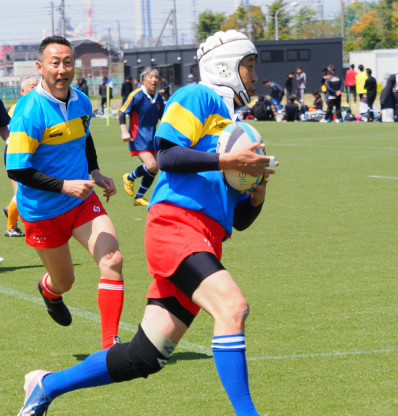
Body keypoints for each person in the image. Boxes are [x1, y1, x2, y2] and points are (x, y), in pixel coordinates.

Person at [17, 29, 277, 416]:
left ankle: (46, 385)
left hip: (206, 239)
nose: (255, 77)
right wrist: (228, 161)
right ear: (225, 66)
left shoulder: (234, 127)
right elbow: (167, 155)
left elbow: (239, 221)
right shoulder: (197, 96)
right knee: (232, 306)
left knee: (145, 356)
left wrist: (256, 194)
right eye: (249, 66)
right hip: (175, 227)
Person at [6, 36, 124, 350]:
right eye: (54, 63)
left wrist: (95, 172)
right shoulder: (29, 112)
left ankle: (110, 347)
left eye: (67, 62)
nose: (62, 69)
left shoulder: (82, 101)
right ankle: (50, 290)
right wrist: (64, 185)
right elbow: (16, 170)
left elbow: (84, 137)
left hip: (82, 201)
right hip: (43, 211)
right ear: (40, 67)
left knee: (112, 259)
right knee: (64, 282)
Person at [120, 67, 165, 206]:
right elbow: (122, 112)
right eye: (150, 77)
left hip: (152, 139)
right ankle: (129, 177)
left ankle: (139, 197)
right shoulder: (136, 95)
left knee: (156, 168)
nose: (154, 80)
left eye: (156, 77)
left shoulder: (158, 99)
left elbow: (163, 118)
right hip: (137, 138)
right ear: (143, 80)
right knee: (151, 165)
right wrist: (124, 131)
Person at [4, 76, 39, 238]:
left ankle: (12, 211)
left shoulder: (38, 105)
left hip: (32, 153)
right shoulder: (18, 107)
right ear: (23, 91)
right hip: (16, 153)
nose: (36, 88)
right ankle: (10, 227)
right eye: (32, 86)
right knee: (20, 192)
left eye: (38, 85)